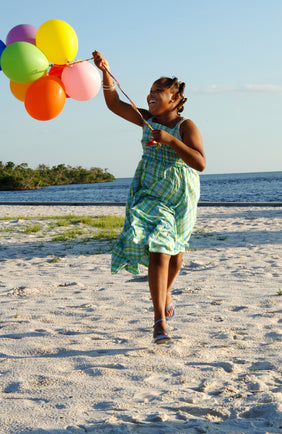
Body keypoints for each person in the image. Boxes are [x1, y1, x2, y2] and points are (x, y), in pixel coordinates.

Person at [92, 51, 206, 344]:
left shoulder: (186, 126)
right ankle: (159, 321)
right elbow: (115, 104)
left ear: (175, 99)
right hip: (149, 194)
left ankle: (166, 293)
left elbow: (200, 163)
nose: (151, 94)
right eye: (150, 90)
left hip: (180, 196)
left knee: (176, 256)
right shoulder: (145, 119)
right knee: (159, 247)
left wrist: (170, 139)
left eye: (159, 91)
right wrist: (105, 71)